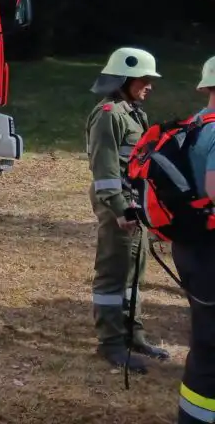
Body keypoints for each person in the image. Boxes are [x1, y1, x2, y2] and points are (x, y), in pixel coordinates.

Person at [86, 47, 169, 372]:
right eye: (145, 79)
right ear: (126, 78)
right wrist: (120, 208)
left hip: (136, 204)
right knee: (113, 274)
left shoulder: (132, 112)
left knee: (134, 271)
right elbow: (104, 170)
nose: (150, 85)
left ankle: (132, 334)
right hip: (118, 207)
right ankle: (110, 344)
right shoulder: (109, 114)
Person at [175, 56, 215, 422]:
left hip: (189, 246)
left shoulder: (192, 126)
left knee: (204, 340)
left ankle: (192, 415)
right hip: (210, 248)